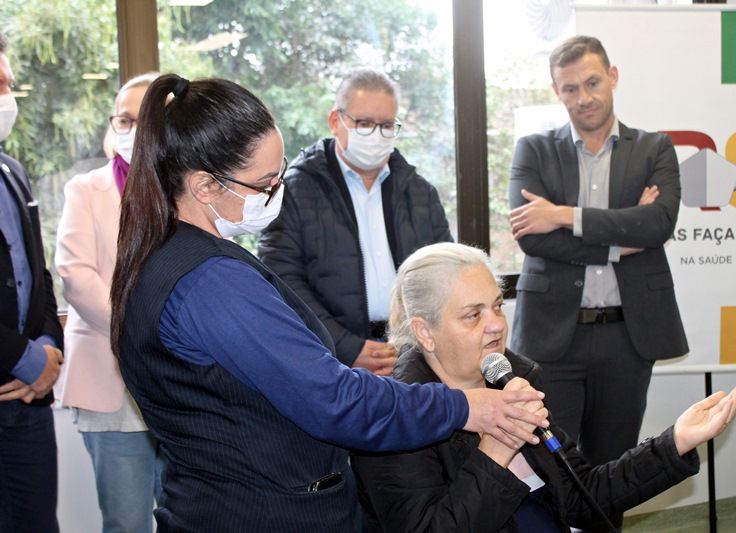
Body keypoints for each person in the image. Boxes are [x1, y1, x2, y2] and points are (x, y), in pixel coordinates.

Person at [109, 73, 546, 532]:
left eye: (279, 176)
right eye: (264, 184)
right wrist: (466, 407)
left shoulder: (168, 252)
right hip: (261, 513)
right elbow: (334, 399)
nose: (275, 194)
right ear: (204, 185)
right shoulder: (212, 282)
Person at [352, 242, 736, 533]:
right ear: (425, 332)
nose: (496, 324)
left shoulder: (514, 377)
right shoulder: (391, 417)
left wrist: (675, 442)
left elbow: (581, 494)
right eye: (473, 315)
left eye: (497, 305)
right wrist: (498, 448)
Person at [508, 36, 689, 473]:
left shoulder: (654, 148)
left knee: (613, 467)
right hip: (553, 335)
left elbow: (657, 225)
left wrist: (562, 215)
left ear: (613, 77)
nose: (583, 98)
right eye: (570, 88)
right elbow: (533, 239)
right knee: (550, 468)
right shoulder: (533, 149)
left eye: (592, 83)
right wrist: (620, 242)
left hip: (627, 337)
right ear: (556, 91)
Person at [259, 67, 452, 376]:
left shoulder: (419, 191)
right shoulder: (295, 190)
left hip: (412, 353)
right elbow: (282, 278)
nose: (376, 135)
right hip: (329, 358)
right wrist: (346, 347)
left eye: (386, 125)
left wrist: (417, 344)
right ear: (336, 121)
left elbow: (445, 273)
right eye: (364, 124)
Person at [54, 72, 162, 533]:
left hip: (180, 384)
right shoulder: (85, 189)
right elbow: (75, 277)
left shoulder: (189, 188)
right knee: (126, 522)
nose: (132, 130)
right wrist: (136, 330)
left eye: (144, 120)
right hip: (110, 382)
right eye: (124, 119)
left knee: (193, 518)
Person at [0, 30, 63, 533]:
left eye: (7, 84)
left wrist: (47, 347)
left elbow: (36, 272)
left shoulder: (12, 171)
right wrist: (27, 358)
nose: (8, 98)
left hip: (29, 399)